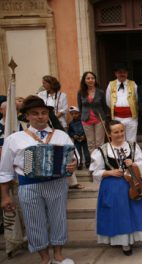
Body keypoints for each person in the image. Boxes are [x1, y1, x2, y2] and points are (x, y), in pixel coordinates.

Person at [0, 95, 77, 264]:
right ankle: (44, 257)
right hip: (29, 185)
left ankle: (58, 255)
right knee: (34, 222)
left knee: (59, 219)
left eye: (43, 112)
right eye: (35, 113)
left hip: (57, 183)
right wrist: (5, 196)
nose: (40, 116)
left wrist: (73, 165)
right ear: (27, 116)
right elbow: (5, 171)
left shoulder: (61, 135)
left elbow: (72, 159)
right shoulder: (15, 139)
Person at [89, 120, 142, 256]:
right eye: (116, 132)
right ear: (109, 133)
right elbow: (95, 172)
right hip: (113, 186)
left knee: (139, 208)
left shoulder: (132, 146)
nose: (120, 134)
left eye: (121, 131)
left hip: (133, 183)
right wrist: (109, 172)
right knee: (120, 213)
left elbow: (141, 165)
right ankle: (124, 242)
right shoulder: (102, 150)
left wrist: (134, 164)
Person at [105, 63, 138, 143]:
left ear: (127, 73)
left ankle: (131, 155)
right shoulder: (111, 84)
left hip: (131, 118)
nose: (122, 74)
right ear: (116, 73)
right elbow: (108, 101)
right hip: (117, 117)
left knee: (132, 140)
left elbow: (137, 100)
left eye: (124, 72)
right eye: (120, 72)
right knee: (119, 140)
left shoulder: (133, 84)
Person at [77, 71, 107, 156]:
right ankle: (94, 163)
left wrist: (105, 117)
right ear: (84, 80)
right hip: (86, 120)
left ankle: (101, 162)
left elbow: (104, 106)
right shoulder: (80, 92)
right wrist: (83, 116)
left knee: (99, 143)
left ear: (95, 80)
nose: (90, 80)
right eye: (88, 78)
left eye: (92, 78)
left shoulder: (100, 92)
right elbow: (80, 106)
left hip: (99, 119)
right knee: (90, 143)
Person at [68, 106, 90, 172]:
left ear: (79, 113)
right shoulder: (71, 123)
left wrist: (85, 136)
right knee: (78, 152)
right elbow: (70, 132)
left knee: (86, 152)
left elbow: (88, 129)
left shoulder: (83, 121)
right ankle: (79, 164)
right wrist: (73, 135)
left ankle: (88, 163)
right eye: (72, 114)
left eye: (76, 113)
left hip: (84, 139)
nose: (74, 115)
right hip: (76, 140)